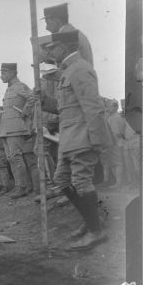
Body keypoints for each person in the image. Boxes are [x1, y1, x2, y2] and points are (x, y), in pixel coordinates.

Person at [40, 30, 112, 251]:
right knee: (61, 180)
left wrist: (97, 140)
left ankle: (95, 231)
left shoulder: (80, 69)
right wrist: (43, 100)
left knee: (81, 182)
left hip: (82, 137)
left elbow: (93, 107)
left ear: (63, 47)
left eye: (52, 48)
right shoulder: (69, 71)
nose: (49, 51)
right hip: (69, 138)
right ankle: (92, 222)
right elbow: (65, 109)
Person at [0, 63, 35, 199]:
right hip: (6, 129)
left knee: (16, 157)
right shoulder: (10, 89)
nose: (2, 76)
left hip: (16, 128)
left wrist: (25, 113)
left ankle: (22, 187)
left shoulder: (20, 86)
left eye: (4, 73)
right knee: (11, 158)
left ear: (13, 72)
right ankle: (20, 185)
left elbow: (33, 99)